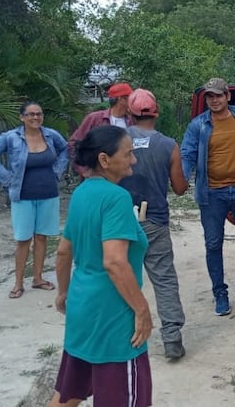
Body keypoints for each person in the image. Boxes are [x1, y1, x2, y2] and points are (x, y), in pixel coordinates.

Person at [49, 125, 152, 407]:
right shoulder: (116, 198)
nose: (133, 160)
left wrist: (63, 292)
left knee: (68, 394)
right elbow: (115, 262)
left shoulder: (82, 193)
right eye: (128, 154)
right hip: (114, 318)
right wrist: (142, 310)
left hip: (82, 311)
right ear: (105, 160)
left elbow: (63, 251)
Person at [180, 77, 235, 315]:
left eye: (218, 95)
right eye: (210, 96)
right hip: (211, 192)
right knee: (213, 243)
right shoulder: (198, 125)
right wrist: (181, 176)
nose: (214, 100)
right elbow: (187, 153)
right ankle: (220, 294)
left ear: (228, 96)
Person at [119, 88, 189, 359]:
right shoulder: (169, 145)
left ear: (129, 113)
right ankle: (172, 338)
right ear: (156, 112)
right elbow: (180, 188)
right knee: (164, 279)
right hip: (155, 221)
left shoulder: (117, 141)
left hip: (121, 222)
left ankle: (125, 336)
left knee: (120, 276)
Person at [0, 101, 69, 299]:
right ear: (22, 117)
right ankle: (18, 283)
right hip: (23, 195)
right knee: (23, 239)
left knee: (41, 237)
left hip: (49, 193)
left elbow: (66, 150)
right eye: (30, 114)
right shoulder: (11, 138)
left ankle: (37, 278)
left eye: (39, 114)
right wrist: (7, 178)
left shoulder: (50, 135)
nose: (35, 117)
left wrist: (57, 171)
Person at [68, 82, 134, 177]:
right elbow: (74, 143)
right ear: (122, 99)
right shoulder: (94, 119)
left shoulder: (132, 121)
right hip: (97, 178)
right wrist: (83, 170)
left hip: (124, 177)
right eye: (130, 98)